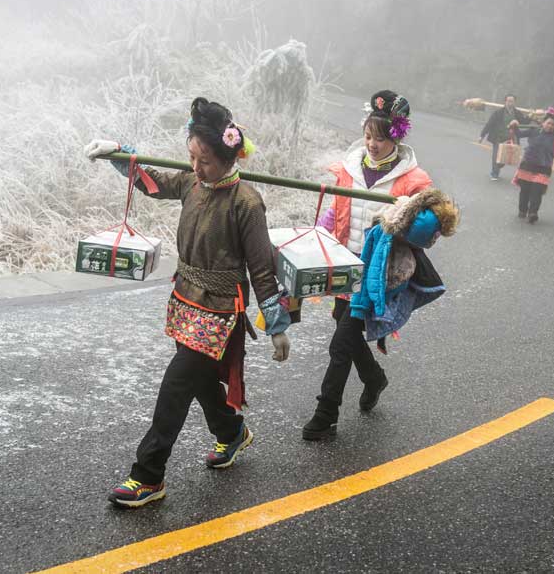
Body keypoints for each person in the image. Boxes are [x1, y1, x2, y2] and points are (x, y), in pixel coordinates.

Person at [84, 97, 292, 508]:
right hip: (185, 297)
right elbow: (153, 183)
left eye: (206, 161)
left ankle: (148, 475)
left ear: (230, 158)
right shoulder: (191, 183)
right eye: (191, 158)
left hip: (219, 308)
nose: (196, 168)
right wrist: (119, 155)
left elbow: (262, 268)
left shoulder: (247, 203)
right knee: (196, 379)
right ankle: (231, 432)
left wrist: (277, 326)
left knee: (177, 383)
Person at [303, 90, 433, 441]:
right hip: (345, 266)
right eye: (368, 135)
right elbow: (337, 209)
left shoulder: (412, 180)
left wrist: (410, 216)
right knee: (342, 325)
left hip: (376, 273)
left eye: (381, 137)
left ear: (397, 136)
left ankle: (326, 413)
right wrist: (317, 235)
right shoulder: (350, 167)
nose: (372, 144)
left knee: (341, 343)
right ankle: (374, 377)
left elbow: (426, 230)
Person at [508, 107, 554, 223]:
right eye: (548, 123)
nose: (550, 126)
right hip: (527, 166)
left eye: (553, 125)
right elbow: (519, 134)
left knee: (537, 192)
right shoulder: (533, 130)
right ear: (543, 123)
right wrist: (514, 125)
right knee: (525, 191)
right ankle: (522, 210)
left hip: (543, 169)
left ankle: (533, 213)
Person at [479, 94, 529, 180]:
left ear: (514, 102)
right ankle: (495, 173)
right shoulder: (498, 113)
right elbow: (489, 124)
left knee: (504, 158)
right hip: (499, 137)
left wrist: (531, 116)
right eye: (508, 101)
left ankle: (498, 166)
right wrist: (482, 135)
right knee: (496, 156)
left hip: (511, 138)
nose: (510, 103)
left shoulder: (517, 113)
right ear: (505, 102)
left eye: (512, 101)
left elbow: (524, 121)